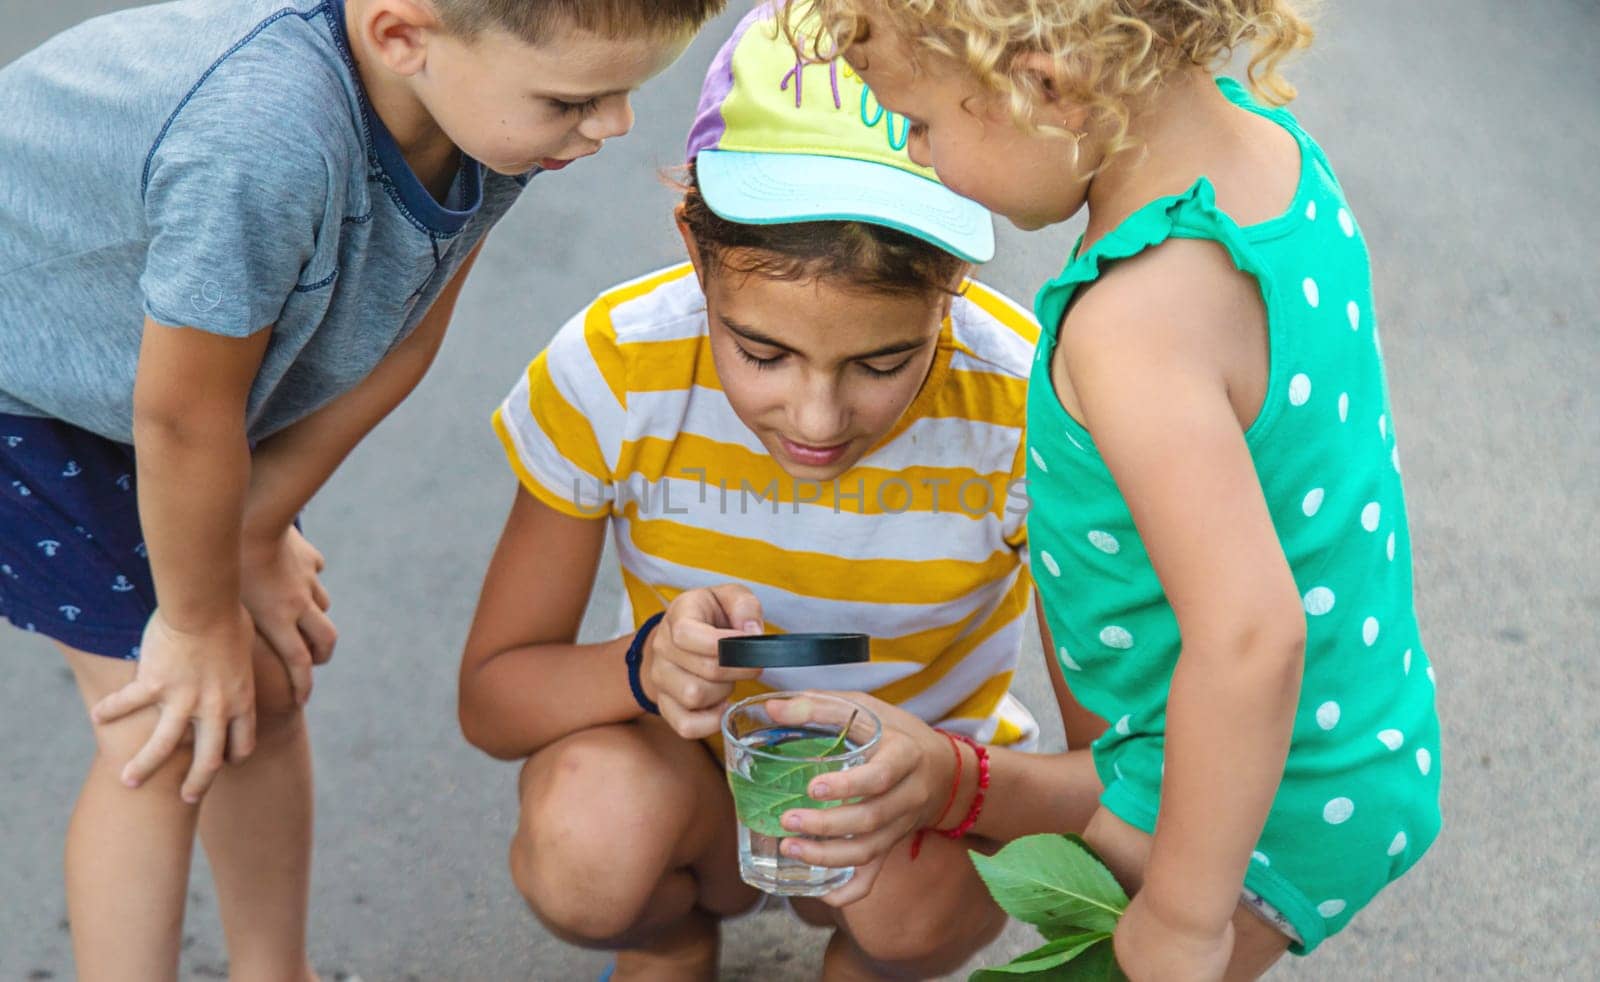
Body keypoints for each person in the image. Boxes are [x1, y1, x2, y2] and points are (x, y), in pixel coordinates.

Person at [0, 0, 723, 977]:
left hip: (163, 379)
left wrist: (252, 533)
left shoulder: (492, 122)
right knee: (161, 719)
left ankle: (275, 971)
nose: (613, 126)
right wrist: (198, 613)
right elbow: (181, 418)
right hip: (32, 390)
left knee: (260, 681)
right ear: (401, 35)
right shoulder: (261, 140)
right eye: (575, 99)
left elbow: (406, 331)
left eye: (623, 92)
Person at [786, 0, 1444, 976]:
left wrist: (1181, 917)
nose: (918, 157)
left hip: (1261, 793)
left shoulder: (1134, 323)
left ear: (1045, 87)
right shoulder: (1265, 153)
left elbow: (1250, 637)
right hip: (1331, 731)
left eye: (919, 123)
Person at [456, 6, 1109, 979]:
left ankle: (871, 957)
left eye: (884, 361)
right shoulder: (615, 369)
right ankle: (671, 935)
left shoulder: (1026, 413)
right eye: (760, 351)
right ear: (691, 240)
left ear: (957, 282)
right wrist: (644, 666)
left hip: (916, 815)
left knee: (903, 918)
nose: (814, 420)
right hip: (694, 782)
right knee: (584, 845)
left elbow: (1115, 777)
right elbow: (494, 696)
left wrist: (945, 779)